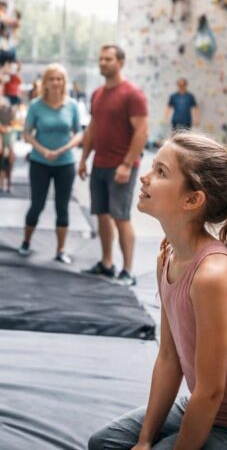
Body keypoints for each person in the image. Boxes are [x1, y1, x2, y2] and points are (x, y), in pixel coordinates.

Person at [88, 132, 227, 450]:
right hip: (206, 406)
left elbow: (212, 391)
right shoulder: (168, 255)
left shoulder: (212, 276)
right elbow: (170, 357)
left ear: (192, 200)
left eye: (160, 172)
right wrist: (144, 440)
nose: (144, 177)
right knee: (104, 444)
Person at [79, 45, 149, 286]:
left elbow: (141, 131)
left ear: (121, 62)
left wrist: (127, 165)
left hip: (121, 166)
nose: (103, 63)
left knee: (121, 217)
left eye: (108, 59)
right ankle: (107, 263)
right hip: (100, 163)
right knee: (101, 214)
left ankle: (128, 270)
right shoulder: (97, 93)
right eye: (100, 59)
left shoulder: (132, 94)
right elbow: (92, 128)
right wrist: (83, 158)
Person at [19, 63, 83, 263]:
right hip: (40, 162)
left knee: (62, 207)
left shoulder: (71, 105)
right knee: (37, 204)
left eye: (59, 79)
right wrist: (43, 150)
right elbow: (27, 133)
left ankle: (60, 250)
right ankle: (26, 242)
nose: (56, 82)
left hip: (65, 163)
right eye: (52, 79)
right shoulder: (36, 105)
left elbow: (79, 132)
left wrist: (65, 148)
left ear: (64, 82)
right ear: (45, 82)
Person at [0, 95, 17, 193]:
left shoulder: (11, 111)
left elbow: (15, 123)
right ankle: (2, 184)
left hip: (8, 141)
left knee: (8, 164)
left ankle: (7, 184)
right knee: (1, 163)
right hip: (2, 141)